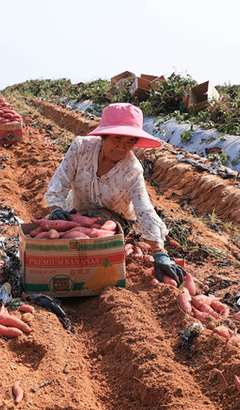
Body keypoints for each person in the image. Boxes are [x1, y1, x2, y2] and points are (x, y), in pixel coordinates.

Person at [44, 103, 186, 286]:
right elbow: (59, 182)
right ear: (104, 135)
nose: (122, 147)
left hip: (113, 223)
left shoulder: (131, 170)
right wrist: (56, 212)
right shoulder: (81, 148)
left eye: (130, 142)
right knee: (59, 234)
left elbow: (144, 209)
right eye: (117, 138)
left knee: (92, 232)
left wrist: (160, 253)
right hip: (75, 214)